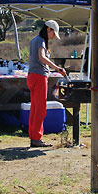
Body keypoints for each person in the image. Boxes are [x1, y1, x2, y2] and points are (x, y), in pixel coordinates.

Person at [27, 20, 67, 148]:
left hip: (32, 75)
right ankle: (37, 138)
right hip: (39, 76)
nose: (53, 36)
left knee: (34, 108)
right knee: (40, 109)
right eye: (53, 33)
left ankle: (33, 136)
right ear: (48, 29)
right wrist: (56, 67)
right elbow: (42, 57)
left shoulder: (34, 39)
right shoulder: (40, 41)